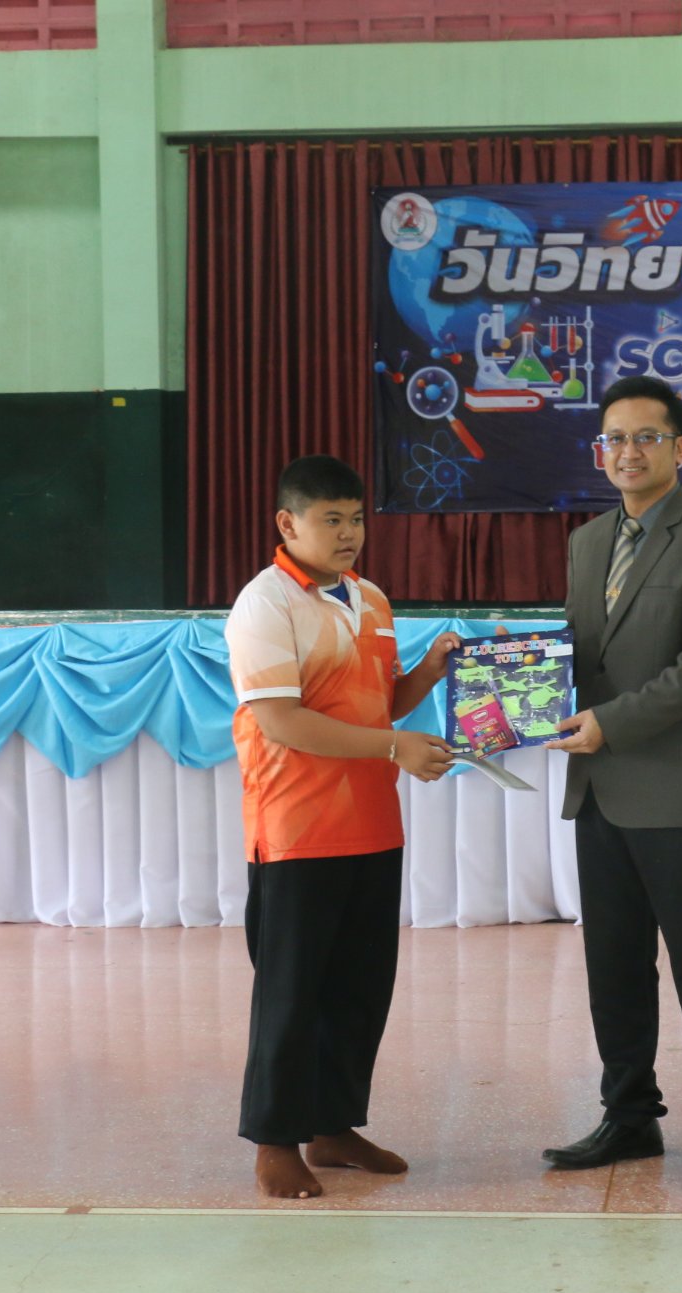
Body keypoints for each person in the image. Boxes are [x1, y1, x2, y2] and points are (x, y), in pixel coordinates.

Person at [541, 375, 682, 1189]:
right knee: (614, 966)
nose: (627, 452)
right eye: (614, 438)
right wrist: (510, 665)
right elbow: (583, 650)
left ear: (679, 447)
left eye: (645, 437)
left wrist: (611, 723)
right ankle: (630, 1114)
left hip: (675, 789)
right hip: (598, 787)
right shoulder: (587, 541)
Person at [224, 455, 459, 1199]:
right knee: (292, 993)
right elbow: (282, 719)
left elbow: (379, 702)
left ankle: (332, 1127)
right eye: (331, 519)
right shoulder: (264, 603)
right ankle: (274, 1141)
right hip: (296, 827)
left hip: (373, 822)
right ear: (287, 523)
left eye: (356, 518)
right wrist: (395, 747)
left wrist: (433, 670)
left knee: (360, 989)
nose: (349, 532)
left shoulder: (371, 598)